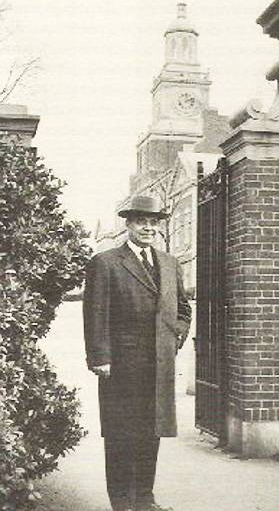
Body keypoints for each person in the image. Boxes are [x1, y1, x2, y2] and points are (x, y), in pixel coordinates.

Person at [83, 195, 192, 511]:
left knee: (150, 432)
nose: (148, 228)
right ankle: (121, 502)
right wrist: (100, 357)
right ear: (128, 224)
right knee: (121, 433)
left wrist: (173, 339)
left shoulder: (169, 263)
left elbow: (183, 310)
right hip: (120, 366)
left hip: (158, 366)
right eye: (141, 221)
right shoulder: (106, 262)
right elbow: (95, 313)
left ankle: (145, 498)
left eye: (153, 222)